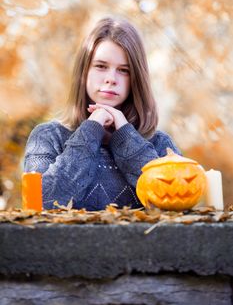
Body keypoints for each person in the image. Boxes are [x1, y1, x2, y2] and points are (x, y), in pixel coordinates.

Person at [24, 16, 181, 211]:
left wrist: (125, 135)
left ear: (136, 79)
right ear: (84, 71)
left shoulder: (160, 145)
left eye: (124, 70)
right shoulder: (47, 137)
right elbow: (41, 203)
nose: (111, 79)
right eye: (101, 66)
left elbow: (176, 206)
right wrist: (91, 129)